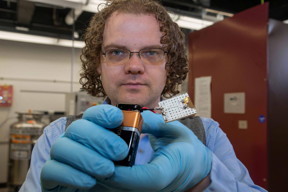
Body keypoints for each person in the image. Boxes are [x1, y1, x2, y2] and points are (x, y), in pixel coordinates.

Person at [19, 0, 267, 191]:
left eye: (151, 52)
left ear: (169, 65)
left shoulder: (208, 135)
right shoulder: (57, 136)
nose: (134, 66)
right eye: (117, 52)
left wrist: (208, 179)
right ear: (98, 64)